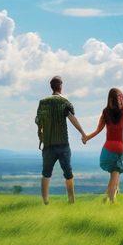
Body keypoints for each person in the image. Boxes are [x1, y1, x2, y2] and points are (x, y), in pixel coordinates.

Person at [35, 75, 87, 204]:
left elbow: (38, 122)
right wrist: (82, 133)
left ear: (51, 87)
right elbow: (72, 118)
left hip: (48, 144)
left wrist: (42, 137)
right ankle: (71, 200)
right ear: (61, 86)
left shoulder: (43, 102)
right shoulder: (64, 101)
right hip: (63, 144)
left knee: (46, 173)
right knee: (68, 173)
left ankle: (45, 201)